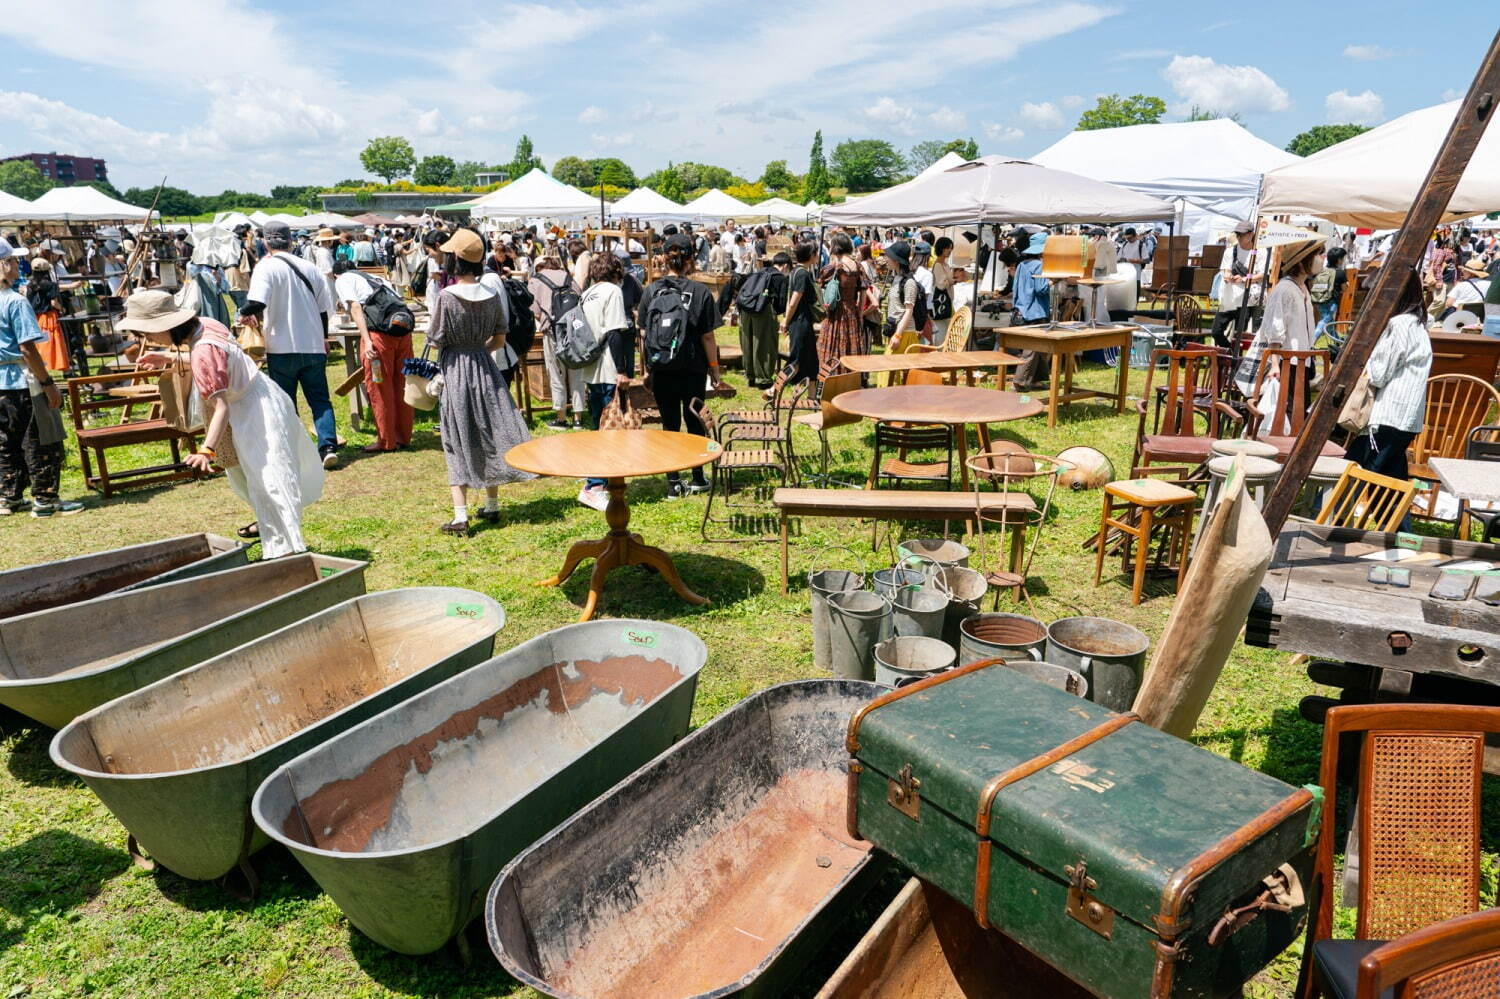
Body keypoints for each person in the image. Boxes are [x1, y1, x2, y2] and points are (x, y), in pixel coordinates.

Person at [120, 290, 324, 555]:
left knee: (269, 482)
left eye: (148, 333)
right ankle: (282, 546)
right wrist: (170, 357)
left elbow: (221, 406)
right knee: (266, 480)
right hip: (263, 398)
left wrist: (207, 449)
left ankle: (287, 552)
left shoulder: (202, 351)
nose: (150, 340)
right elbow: (220, 358)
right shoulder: (206, 325)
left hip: (253, 412)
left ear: (167, 326)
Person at [426, 228, 533, 535]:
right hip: (486, 368)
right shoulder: (490, 294)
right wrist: (478, 351)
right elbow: (499, 339)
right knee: (487, 430)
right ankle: (492, 504)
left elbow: (436, 340)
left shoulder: (447, 297)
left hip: (456, 369)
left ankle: (460, 516)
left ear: (455, 260)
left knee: (456, 435)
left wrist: (461, 353)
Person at [242, 220, 341, 468]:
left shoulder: (265, 268)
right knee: (320, 399)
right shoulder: (309, 267)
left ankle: (295, 450)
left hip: (281, 346)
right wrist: (324, 338)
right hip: (313, 344)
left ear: (265, 242)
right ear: (290, 241)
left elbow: (257, 302)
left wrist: (243, 313)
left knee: (285, 402)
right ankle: (328, 445)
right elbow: (323, 312)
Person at [639, 232, 724, 498]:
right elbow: (708, 336)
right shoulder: (700, 292)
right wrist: (715, 369)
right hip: (693, 367)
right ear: (690, 259)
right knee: (694, 421)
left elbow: (643, 334)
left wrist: (646, 370)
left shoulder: (651, 290)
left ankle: (673, 481)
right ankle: (698, 475)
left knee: (670, 423)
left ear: (664, 258)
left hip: (661, 367)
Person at [0, 238, 77, 517]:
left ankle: (9, 497)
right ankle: (45, 499)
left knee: (6, 442)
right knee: (41, 439)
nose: (15, 265)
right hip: (23, 379)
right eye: (11, 261)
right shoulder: (15, 302)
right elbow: (27, 348)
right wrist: (47, 382)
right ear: (4, 265)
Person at [1346, 269, 1432, 481]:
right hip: (1405, 418)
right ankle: (1397, 516)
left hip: (1388, 416)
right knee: (1389, 485)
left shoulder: (1399, 324)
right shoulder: (1417, 323)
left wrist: (1369, 353)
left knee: (1352, 475)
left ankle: (1326, 513)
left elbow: (1378, 374)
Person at [1234, 238, 1324, 424]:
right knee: (1288, 413)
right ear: (1302, 261)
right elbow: (1274, 330)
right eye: (1317, 254)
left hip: (1300, 361)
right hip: (1286, 362)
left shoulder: (1302, 289)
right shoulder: (1284, 289)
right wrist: (1275, 364)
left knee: (1297, 413)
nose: (1321, 259)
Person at [333, 260, 412, 453]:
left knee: (379, 386)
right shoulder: (374, 278)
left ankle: (386, 441)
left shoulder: (343, 280)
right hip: (402, 333)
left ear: (335, 275)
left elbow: (356, 308)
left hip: (379, 338)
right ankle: (403, 436)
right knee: (402, 384)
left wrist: (366, 340)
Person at [576, 251, 635, 511]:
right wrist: (622, 370)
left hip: (591, 367)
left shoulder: (588, 292)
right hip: (608, 366)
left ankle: (603, 478)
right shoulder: (612, 291)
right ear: (616, 272)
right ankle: (594, 485)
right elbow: (614, 333)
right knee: (609, 428)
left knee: (598, 422)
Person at [529, 252, 584, 430]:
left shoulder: (536, 281)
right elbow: (580, 299)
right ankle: (578, 418)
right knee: (576, 371)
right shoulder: (568, 277)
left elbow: (535, 311)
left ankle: (561, 417)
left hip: (553, 331)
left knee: (556, 373)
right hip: (574, 329)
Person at [818, 232, 872, 378]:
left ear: (835, 247)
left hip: (836, 312)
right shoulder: (858, 266)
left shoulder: (832, 267)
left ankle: (832, 376)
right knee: (851, 344)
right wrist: (860, 313)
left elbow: (820, 286)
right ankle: (850, 377)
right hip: (852, 311)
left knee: (833, 344)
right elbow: (863, 291)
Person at [1210, 221, 1264, 349]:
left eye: (1242, 234)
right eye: (1237, 234)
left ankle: (1235, 361)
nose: (1239, 237)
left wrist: (1244, 279)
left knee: (1239, 336)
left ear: (1251, 235)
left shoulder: (1260, 252)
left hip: (1247, 299)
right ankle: (1230, 353)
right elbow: (1226, 271)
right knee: (1216, 331)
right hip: (1229, 298)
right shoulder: (1230, 251)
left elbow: (1263, 275)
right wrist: (1228, 276)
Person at [1011, 231, 1052, 391]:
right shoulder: (1039, 265)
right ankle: (1020, 382)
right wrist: (1052, 281)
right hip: (1036, 311)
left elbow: (1015, 288)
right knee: (1032, 349)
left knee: (1039, 348)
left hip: (1022, 309)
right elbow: (1041, 289)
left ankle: (1037, 379)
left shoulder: (1022, 265)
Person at [736, 251, 784, 389]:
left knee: (748, 343)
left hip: (746, 309)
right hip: (763, 311)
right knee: (764, 344)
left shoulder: (755, 273)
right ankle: (763, 380)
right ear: (785, 265)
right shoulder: (778, 277)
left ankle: (750, 376)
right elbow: (781, 303)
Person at [780, 241, 820, 387]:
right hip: (800, 322)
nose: (818, 255)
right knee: (796, 361)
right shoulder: (803, 274)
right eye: (816, 253)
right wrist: (786, 321)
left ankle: (812, 399)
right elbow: (794, 300)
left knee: (812, 363)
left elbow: (790, 299)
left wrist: (786, 319)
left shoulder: (795, 271)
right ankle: (773, 390)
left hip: (802, 322)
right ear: (811, 255)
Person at [21, 257, 70, 373]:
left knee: (40, 344)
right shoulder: (51, 285)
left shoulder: (29, 285)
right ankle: (64, 369)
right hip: (49, 317)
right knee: (55, 343)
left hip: (35, 319)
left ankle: (43, 368)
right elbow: (54, 303)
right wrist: (62, 309)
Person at [1310, 245, 1348, 339]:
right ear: (1339, 260)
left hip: (1319, 299)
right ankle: (1310, 344)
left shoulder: (1321, 270)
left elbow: (1312, 283)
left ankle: (1337, 341)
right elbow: (1344, 289)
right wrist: (1347, 284)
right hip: (1331, 301)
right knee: (1324, 321)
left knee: (1329, 323)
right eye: (1342, 258)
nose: (1343, 260)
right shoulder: (1340, 272)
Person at [931, 237, 956, 344]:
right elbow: (941, 285)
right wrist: (953, 281)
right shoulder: (937, 265)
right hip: (940, 302)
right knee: (940, 333)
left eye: (951, 248)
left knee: (946, 331)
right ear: (942, 248)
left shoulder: (946, 265)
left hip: (947, 301)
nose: (950, 251)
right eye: (948, 248)